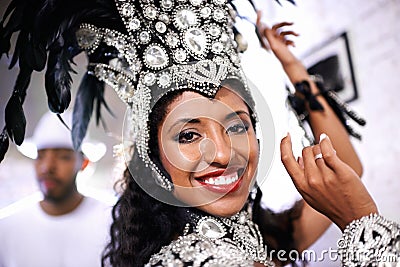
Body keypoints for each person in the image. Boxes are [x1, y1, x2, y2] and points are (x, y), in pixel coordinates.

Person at [0, 0, 398, 266]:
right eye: (188, 135)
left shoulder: (262, 236)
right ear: (153, 158)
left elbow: (345, 168)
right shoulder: (194, 259)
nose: (224, 153)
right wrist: (363, 224)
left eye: (237, 125)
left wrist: (291, 64)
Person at [0, 111, 112, 267]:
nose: (47, 167)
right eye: (40, 156)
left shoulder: (114, 223)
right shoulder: (6, 227)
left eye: (63, 157)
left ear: (84, 163)